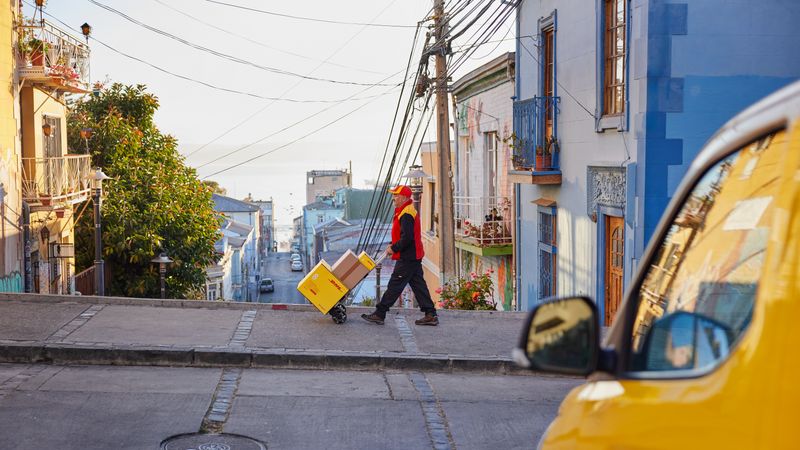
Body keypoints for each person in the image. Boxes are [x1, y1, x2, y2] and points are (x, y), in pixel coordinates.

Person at [362, 185, 439, 326]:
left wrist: (394, 247)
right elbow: (403, 235)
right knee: (418, 286)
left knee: (394, 285)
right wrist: (392, 244)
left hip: (408, 257)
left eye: (396, 195)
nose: (393, 198)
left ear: (403, 197)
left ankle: (380, 313)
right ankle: (430, 314)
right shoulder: (404, 211)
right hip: (413, 255)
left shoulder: (406, 214)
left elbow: (407, 238)